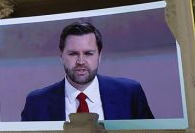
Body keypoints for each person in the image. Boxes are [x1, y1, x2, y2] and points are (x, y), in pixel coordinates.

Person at [21, 21, 154, 121]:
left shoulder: (130, 93)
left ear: (100, 55)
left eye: (88, 53)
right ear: (61, 55)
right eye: (73, 54)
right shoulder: (37, 102)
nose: (80, 61)